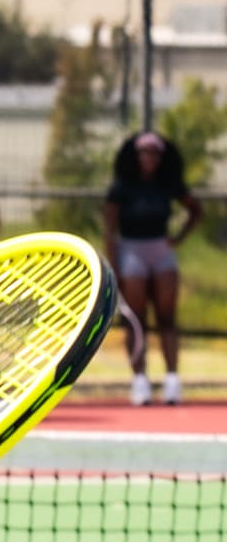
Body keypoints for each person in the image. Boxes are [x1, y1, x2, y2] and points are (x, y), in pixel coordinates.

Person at [104, 129, 203, 406]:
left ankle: (172, 380)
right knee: (136, 320)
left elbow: (196, 209)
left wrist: (179, 237)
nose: (150, 158)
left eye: (155, 153)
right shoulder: (122, 187)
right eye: (145, 153)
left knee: (167, 316)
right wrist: (114, 265)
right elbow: (110, 229)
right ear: (136, 156)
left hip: (160, 250)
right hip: (131, 250)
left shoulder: (166, 184)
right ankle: (140, 381)